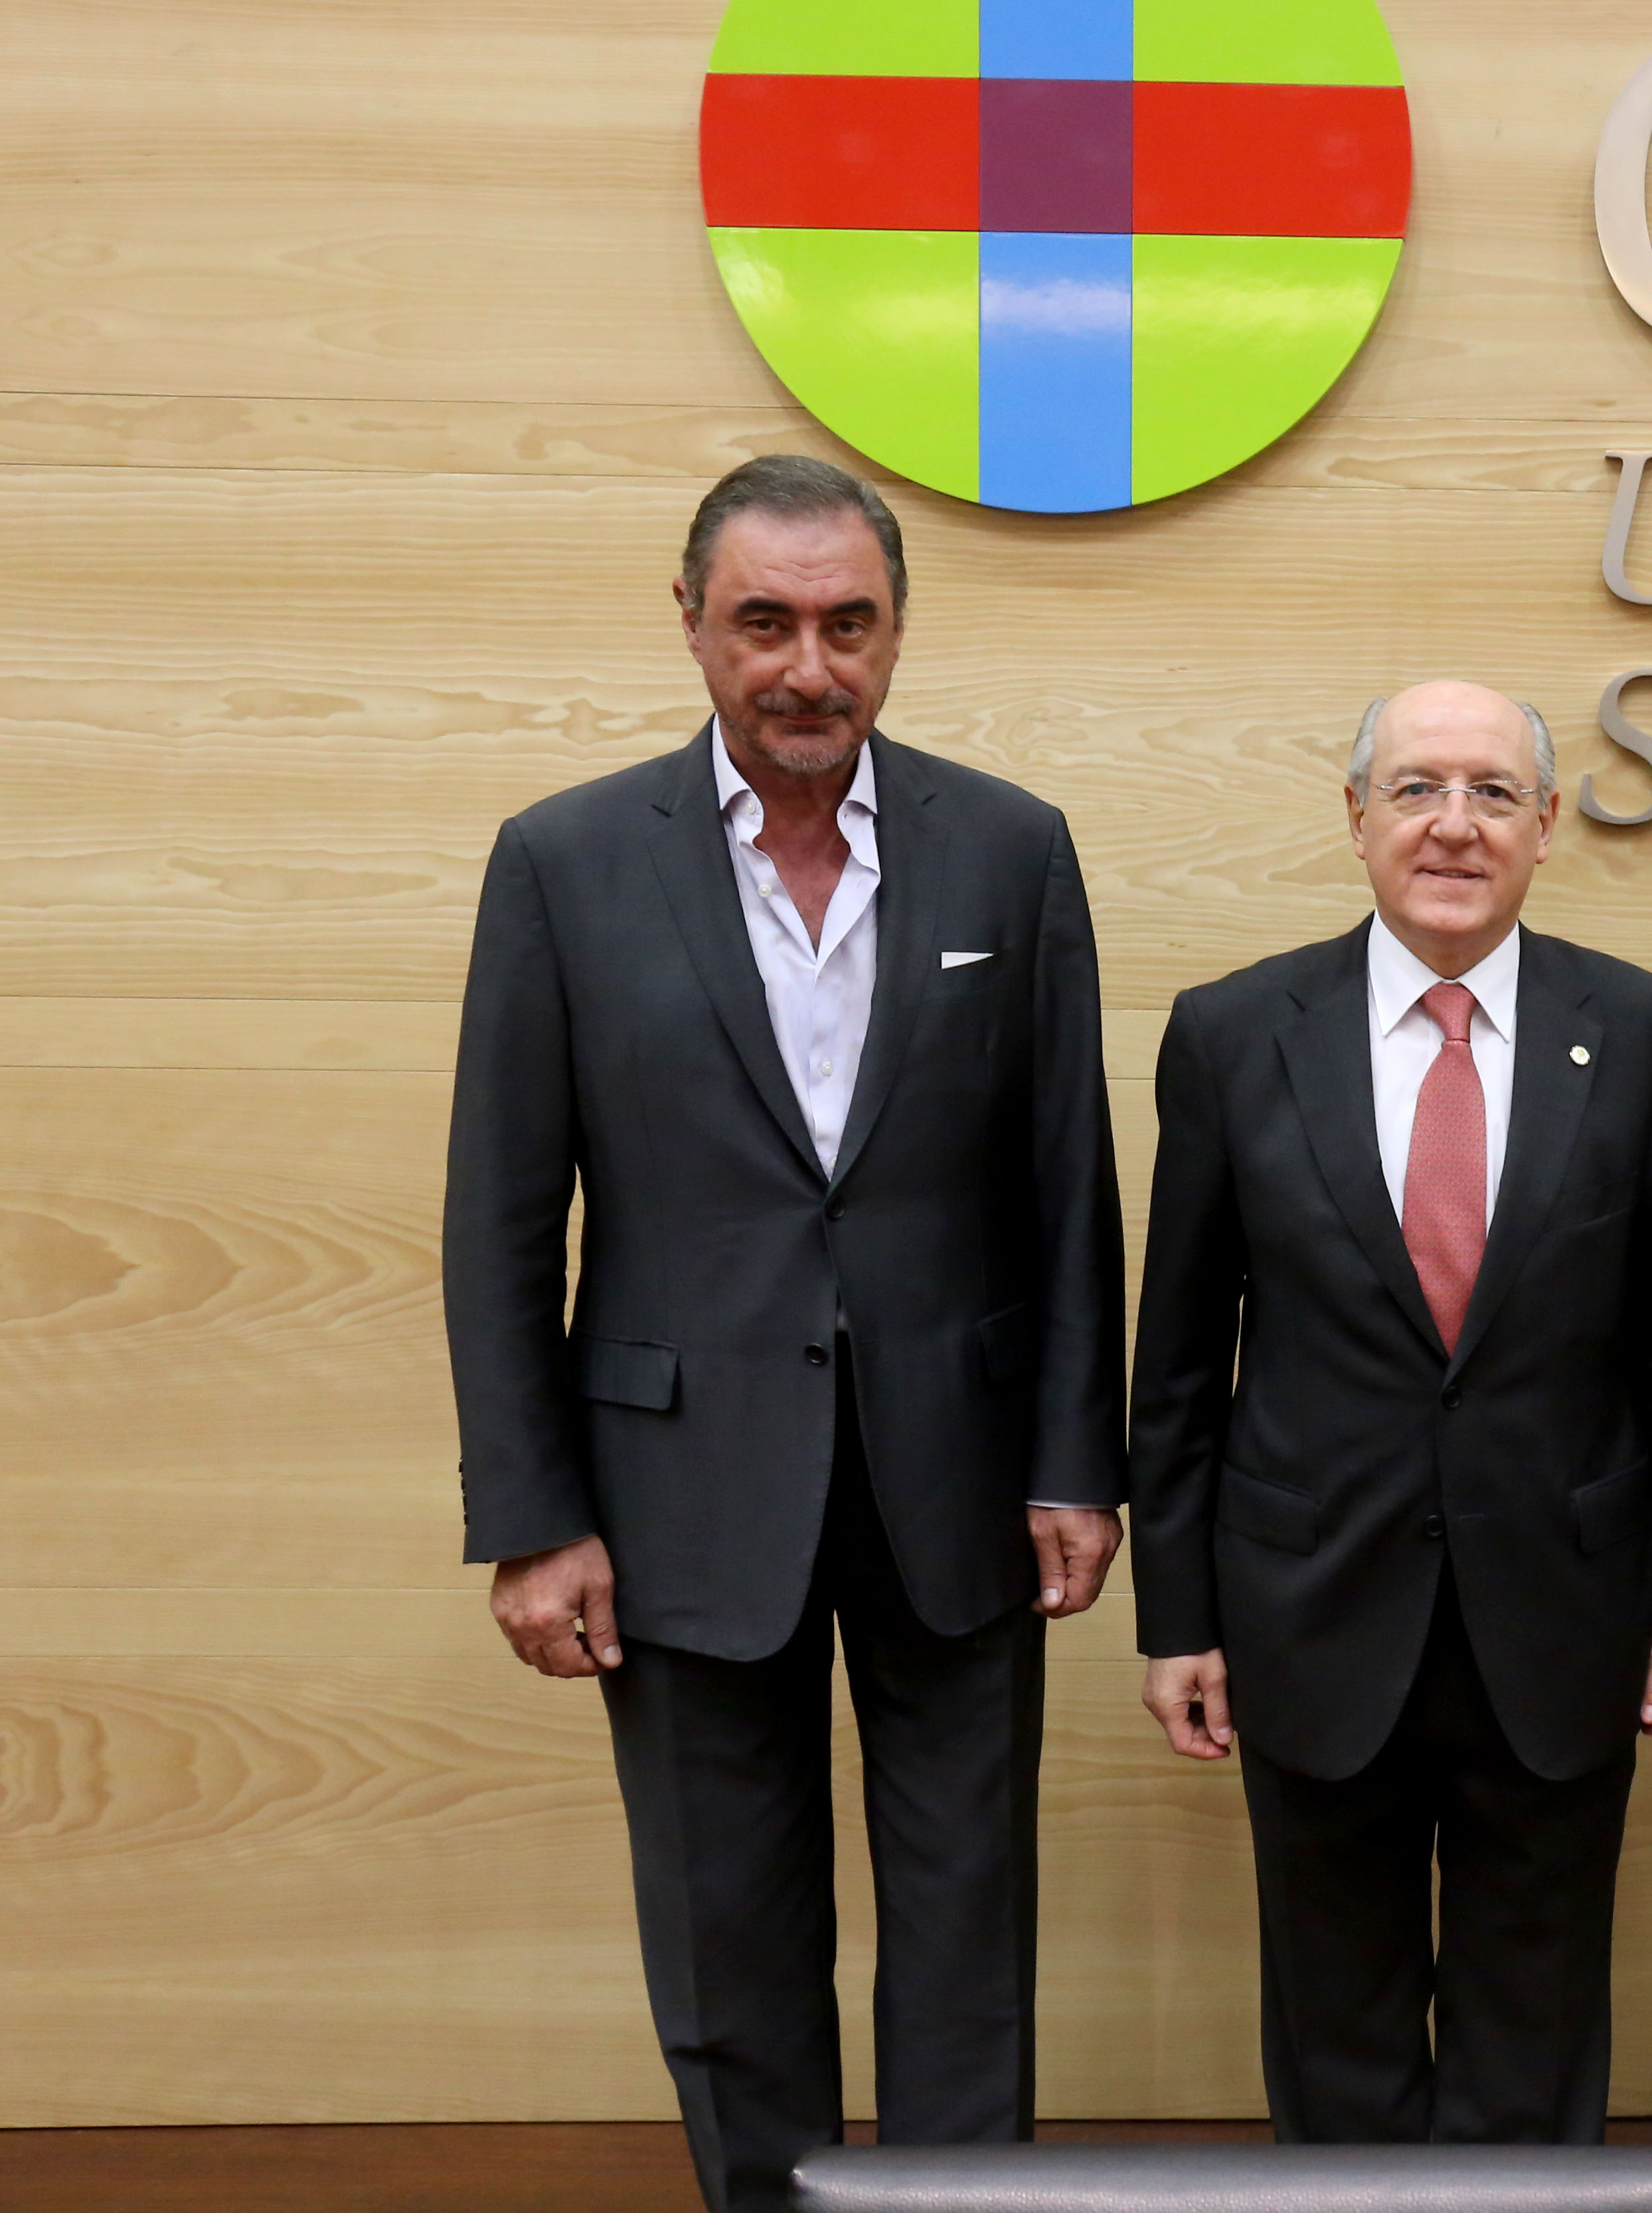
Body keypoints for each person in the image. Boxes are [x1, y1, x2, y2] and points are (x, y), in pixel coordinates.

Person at [442, 455, 1124, 2213]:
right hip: (674, 1490)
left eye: (846, 623)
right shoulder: (566, 861)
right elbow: (501, 1216)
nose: (807, 666)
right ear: (691, 625)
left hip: (959, 1479)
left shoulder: (1012, 847)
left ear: (896, 631)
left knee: (968, 1924)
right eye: (764, 622)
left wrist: (1077, 1460)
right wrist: (533, 1513)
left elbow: (1066, 1185)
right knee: (728, 1933)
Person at [1124, 681, 1652, 2145]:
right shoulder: (1233, 1031)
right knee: (1336, 2029)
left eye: (1492, 792)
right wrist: (1176, 1617)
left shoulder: (1645, 1031)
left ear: (1547, 823)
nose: (1454, 825)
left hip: (1564, 1613)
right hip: (1309, 1609)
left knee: (1537, 2028)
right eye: (1415, 789)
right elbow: (1180, 1360)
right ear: (1356, 818)